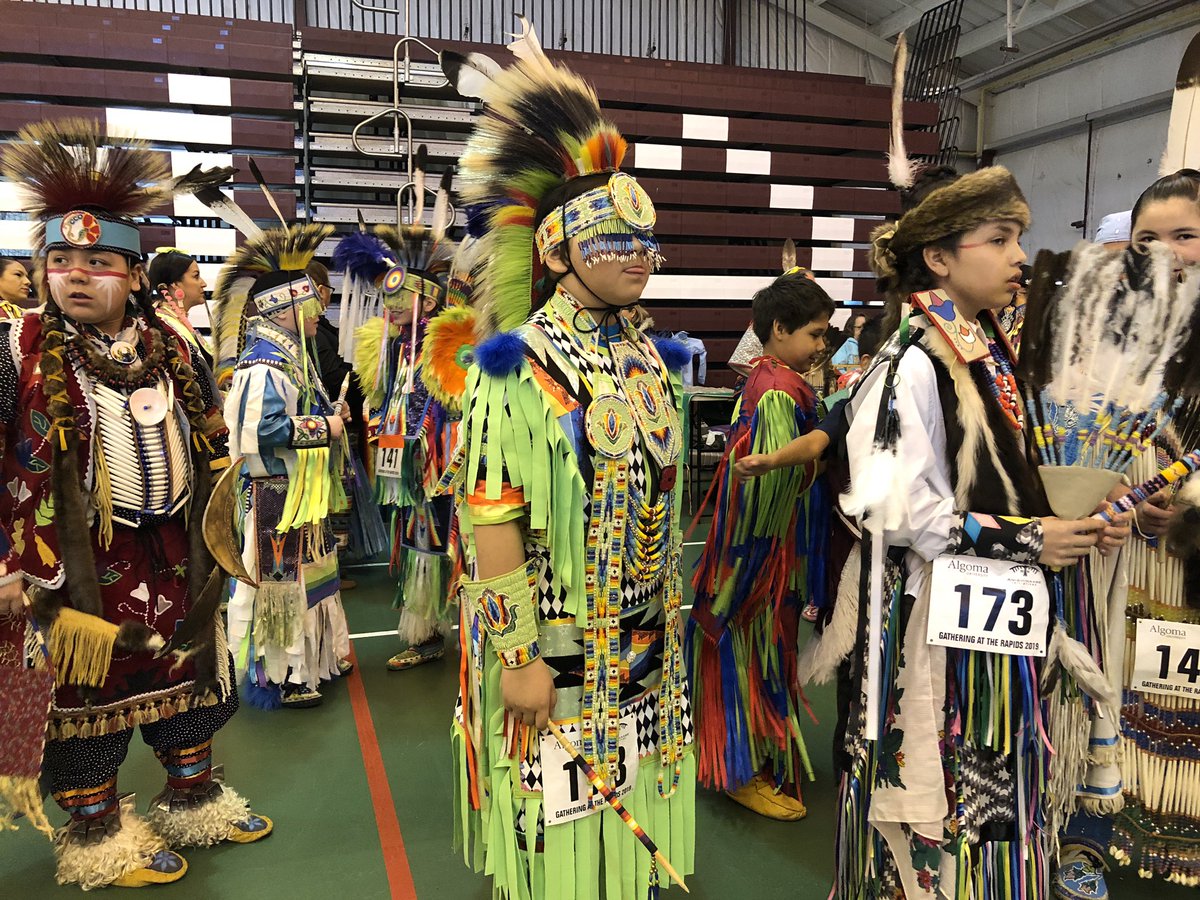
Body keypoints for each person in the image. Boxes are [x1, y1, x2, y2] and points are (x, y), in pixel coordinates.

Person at [442, 25, 695, 897]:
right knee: (558, 807)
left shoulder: (644, 353)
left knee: (628, 782)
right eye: (613, 240)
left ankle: (620, 878)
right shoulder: (517, 366)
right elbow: (493, 519)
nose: (636, 257)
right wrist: (516, 659)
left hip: (644, 628)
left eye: (644, 240)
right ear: (557, 251)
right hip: (553, 637)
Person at [0, 118, 270, 890]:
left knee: (187, 682)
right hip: (62, 577)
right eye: (60, 259)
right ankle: (99, 832)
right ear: (40, 266)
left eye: (100, 260)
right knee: (82, 703)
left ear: (135, 273)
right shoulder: (11, 350)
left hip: (173, 556)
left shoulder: (174, 345)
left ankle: (194, 797)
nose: (78, 274)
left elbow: (213, 442)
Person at [687, 270, 831, 820]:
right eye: (815, 335)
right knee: (753, 656)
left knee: (759, 659)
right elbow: (771, 491)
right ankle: (742, 771)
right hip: (759, 561)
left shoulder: (772, 376)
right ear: (779, 328)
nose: (822, 347)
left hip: (756, 556)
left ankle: (750, 762)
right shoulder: (777, 390)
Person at [1102, 169, 1200, 888]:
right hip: (1123, 567)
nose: (1165, 253)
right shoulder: (1106, 340)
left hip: (1190, 570)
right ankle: (1108, 825)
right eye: (1148, 239)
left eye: (1185, 236)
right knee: (1113, 684)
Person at [216, 224, 353, 710]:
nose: (321, 312)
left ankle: (311, 663)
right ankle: (285, 675)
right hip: (276, 495)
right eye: (313, 303)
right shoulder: (264, 364)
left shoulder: (291, 357)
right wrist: (326, 428)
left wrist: (329, 418)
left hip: (298, 492)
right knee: (282, 584)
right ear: (287, 308)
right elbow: (262, 432)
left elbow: (293, 416)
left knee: (309, 580)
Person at [305, 260, 385, 583]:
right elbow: (332, 375)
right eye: (327, 291)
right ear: (319, 290)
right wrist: (365, 373)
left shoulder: (318, 331)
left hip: (335, 425)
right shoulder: (313, 335)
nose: (326, 298)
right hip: (324, 431)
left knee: (339, 500)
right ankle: (329, 568)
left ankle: (332, 567)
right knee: (333, 502)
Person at [147, 248, 210, 362]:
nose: (203, 283)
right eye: (196, 276)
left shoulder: (172, 321)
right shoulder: (163, 326)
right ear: (175, 284)